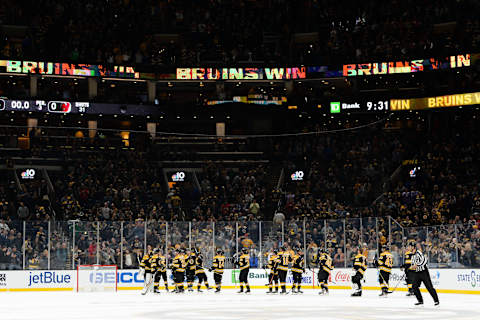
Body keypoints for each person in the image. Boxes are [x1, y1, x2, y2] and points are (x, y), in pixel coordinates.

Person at [409, 240, 440, 306]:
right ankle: (420, 301)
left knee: (429, 287)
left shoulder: (418, 253)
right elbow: (413, 264)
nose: (408, 248)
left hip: (424, 272)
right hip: (417, 273)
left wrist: (416, 265)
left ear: (413, 247)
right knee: (414, 286)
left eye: (409, 246)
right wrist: (410, 268)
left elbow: (424, 260)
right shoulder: (412, 256)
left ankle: (436, 301)